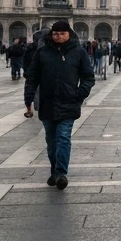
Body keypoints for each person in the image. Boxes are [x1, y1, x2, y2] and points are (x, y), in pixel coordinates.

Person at [23, 20, 94, 191]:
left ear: (69, 34)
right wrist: (29, 101)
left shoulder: (78, 53)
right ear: (51, 35)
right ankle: (55, 170)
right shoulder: (42, 53)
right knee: (51, 141)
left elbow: (88, 77)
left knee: (63, 138)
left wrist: (79, 95)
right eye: (56, 34)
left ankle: (61, 173)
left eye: (62, 33)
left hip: (69, 103)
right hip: (47, 104)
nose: (59, 36)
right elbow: (32, 78)